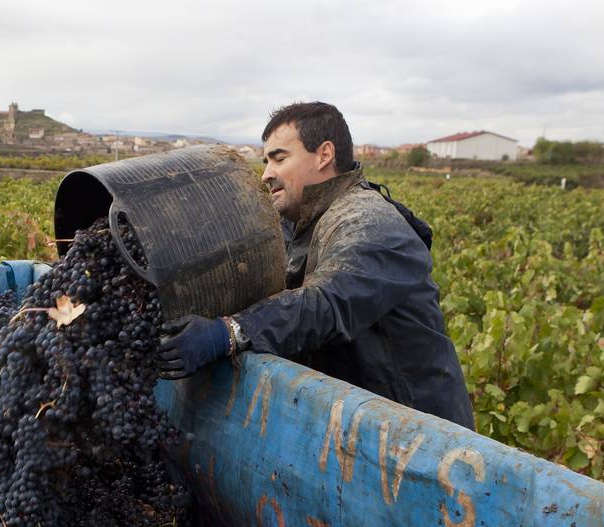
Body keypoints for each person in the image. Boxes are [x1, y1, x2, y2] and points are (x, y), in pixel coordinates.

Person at [157, 102, 475, 430]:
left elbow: (325, 303)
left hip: (418, 438)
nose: (266, 174)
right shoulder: (296, 223)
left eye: (279, 158)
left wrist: (228, 332)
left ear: (324, 155)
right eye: (265, 160)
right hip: (354, 422)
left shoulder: (369, 222)